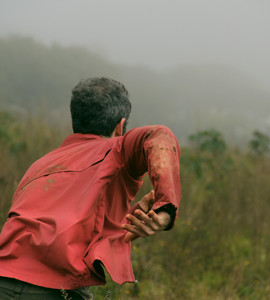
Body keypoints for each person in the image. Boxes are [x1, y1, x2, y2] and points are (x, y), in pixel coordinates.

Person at [0, 77, 181, 299]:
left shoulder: (39, 165)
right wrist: (165, 211)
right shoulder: (117, 149)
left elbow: (63, 222)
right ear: (121, 126)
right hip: (56, 290)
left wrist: (126, 220)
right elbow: (159, 136)